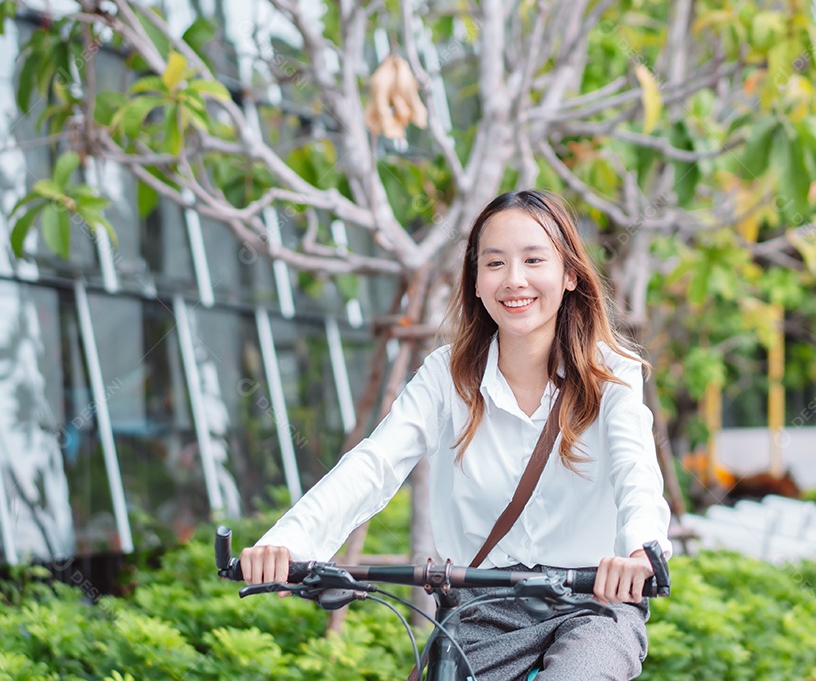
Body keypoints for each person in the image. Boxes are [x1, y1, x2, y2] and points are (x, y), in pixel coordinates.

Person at [240, 190, 673, 681]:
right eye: (495, 263)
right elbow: (375, 463)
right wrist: (289, 543)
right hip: (481, 609)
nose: (514, 280)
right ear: (476, 280)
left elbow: (636, 470)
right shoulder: (446, 376)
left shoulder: (610, 374)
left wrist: (639, 551)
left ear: (569, 274)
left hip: (593, 603)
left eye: (534, 260)